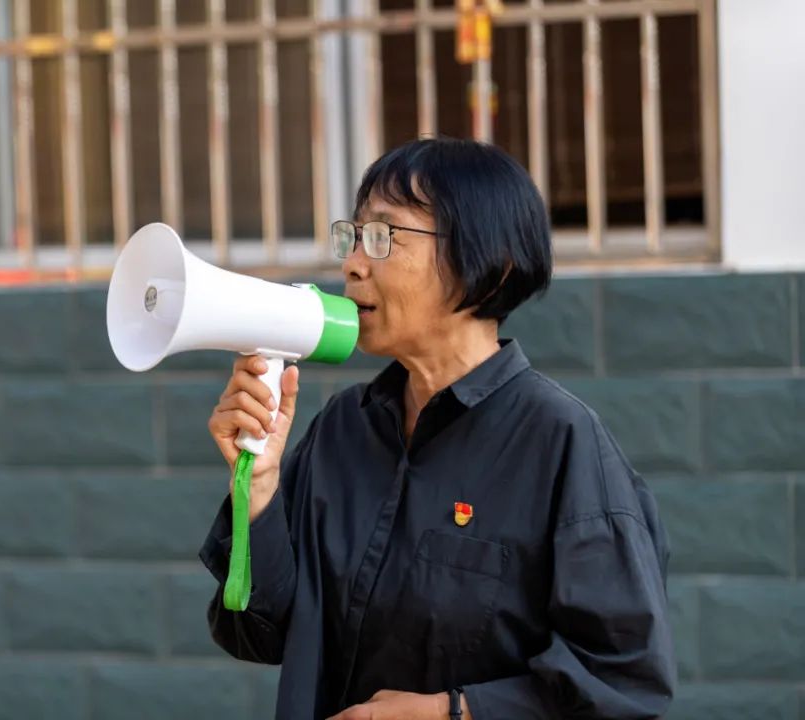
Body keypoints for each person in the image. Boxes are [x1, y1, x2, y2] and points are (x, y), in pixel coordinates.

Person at [199, 137, 674, 720]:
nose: (352, 263)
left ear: (490, 264)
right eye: (351, 235)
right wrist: (260, 487)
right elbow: (258, 635)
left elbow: (623, 680)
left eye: (384, 237)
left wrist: (454, 712)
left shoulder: (560, 444)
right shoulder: (343, 429)